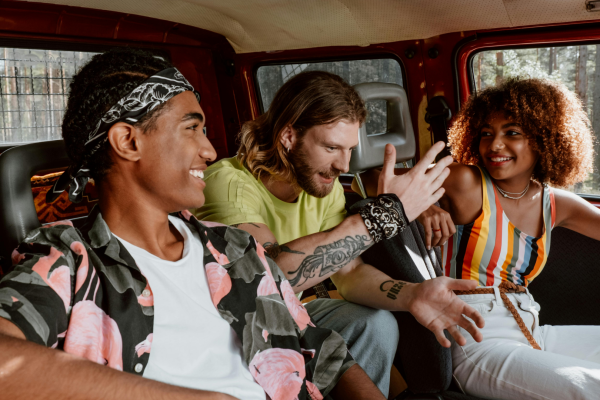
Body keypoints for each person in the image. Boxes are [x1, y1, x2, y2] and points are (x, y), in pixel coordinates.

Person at [0, 48, 385, 400]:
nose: (210, 150)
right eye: (192, 128)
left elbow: (323, 351)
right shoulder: (69, 262)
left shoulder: (235, 248)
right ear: (128, 142)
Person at [194, 71, 485, 396]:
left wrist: (410, 295)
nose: (343, 165)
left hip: (292, 311)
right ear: (288, 136)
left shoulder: (319, 183)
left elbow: (349, 270)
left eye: (349, 149)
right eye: (332, 147)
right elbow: (265, 279)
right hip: (235, 322)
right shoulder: (229, 186)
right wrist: (385, 214)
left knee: (376, 323)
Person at [361, 77, 600, 400]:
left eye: (512, 133)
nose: (494, 145)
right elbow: (373, 176)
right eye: (487, 133)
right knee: (588, 385)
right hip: (474, 339)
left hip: (531, 330)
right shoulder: (466, 182)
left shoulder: (555, 203)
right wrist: (421, 206)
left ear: (544, 138)